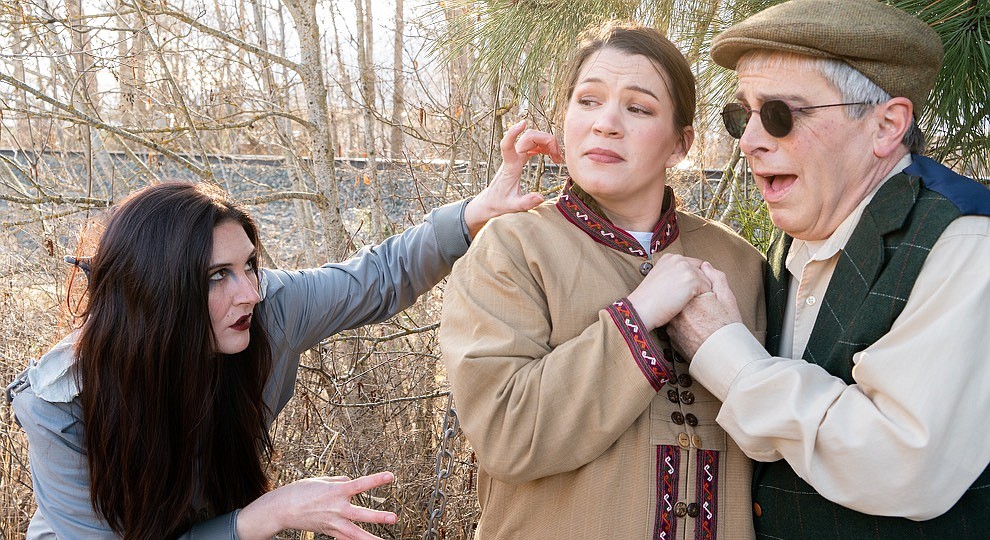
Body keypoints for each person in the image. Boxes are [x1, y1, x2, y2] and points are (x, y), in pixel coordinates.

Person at [7, 171, 542, 539]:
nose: (249, 292)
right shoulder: (61, 403)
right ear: (156, 294)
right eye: (218, 276)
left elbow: (378, 277)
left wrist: (472, 216)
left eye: (249, 266)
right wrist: (265, 515)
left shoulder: (270, 311)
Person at [666, 0, 990, 537]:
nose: (748, 141)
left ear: (886, 125)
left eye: (779, 114)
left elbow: (903, 463)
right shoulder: (795, 234)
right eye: (741, 115)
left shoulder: (964, 243)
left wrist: (727, 356)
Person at [440, 22, 766, 539]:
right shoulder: (513, 250)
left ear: (681, 144)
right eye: (588, 101)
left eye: (638, 108)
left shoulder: (741, 265)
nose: (606, 124)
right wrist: (635, 320)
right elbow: (507, 433)